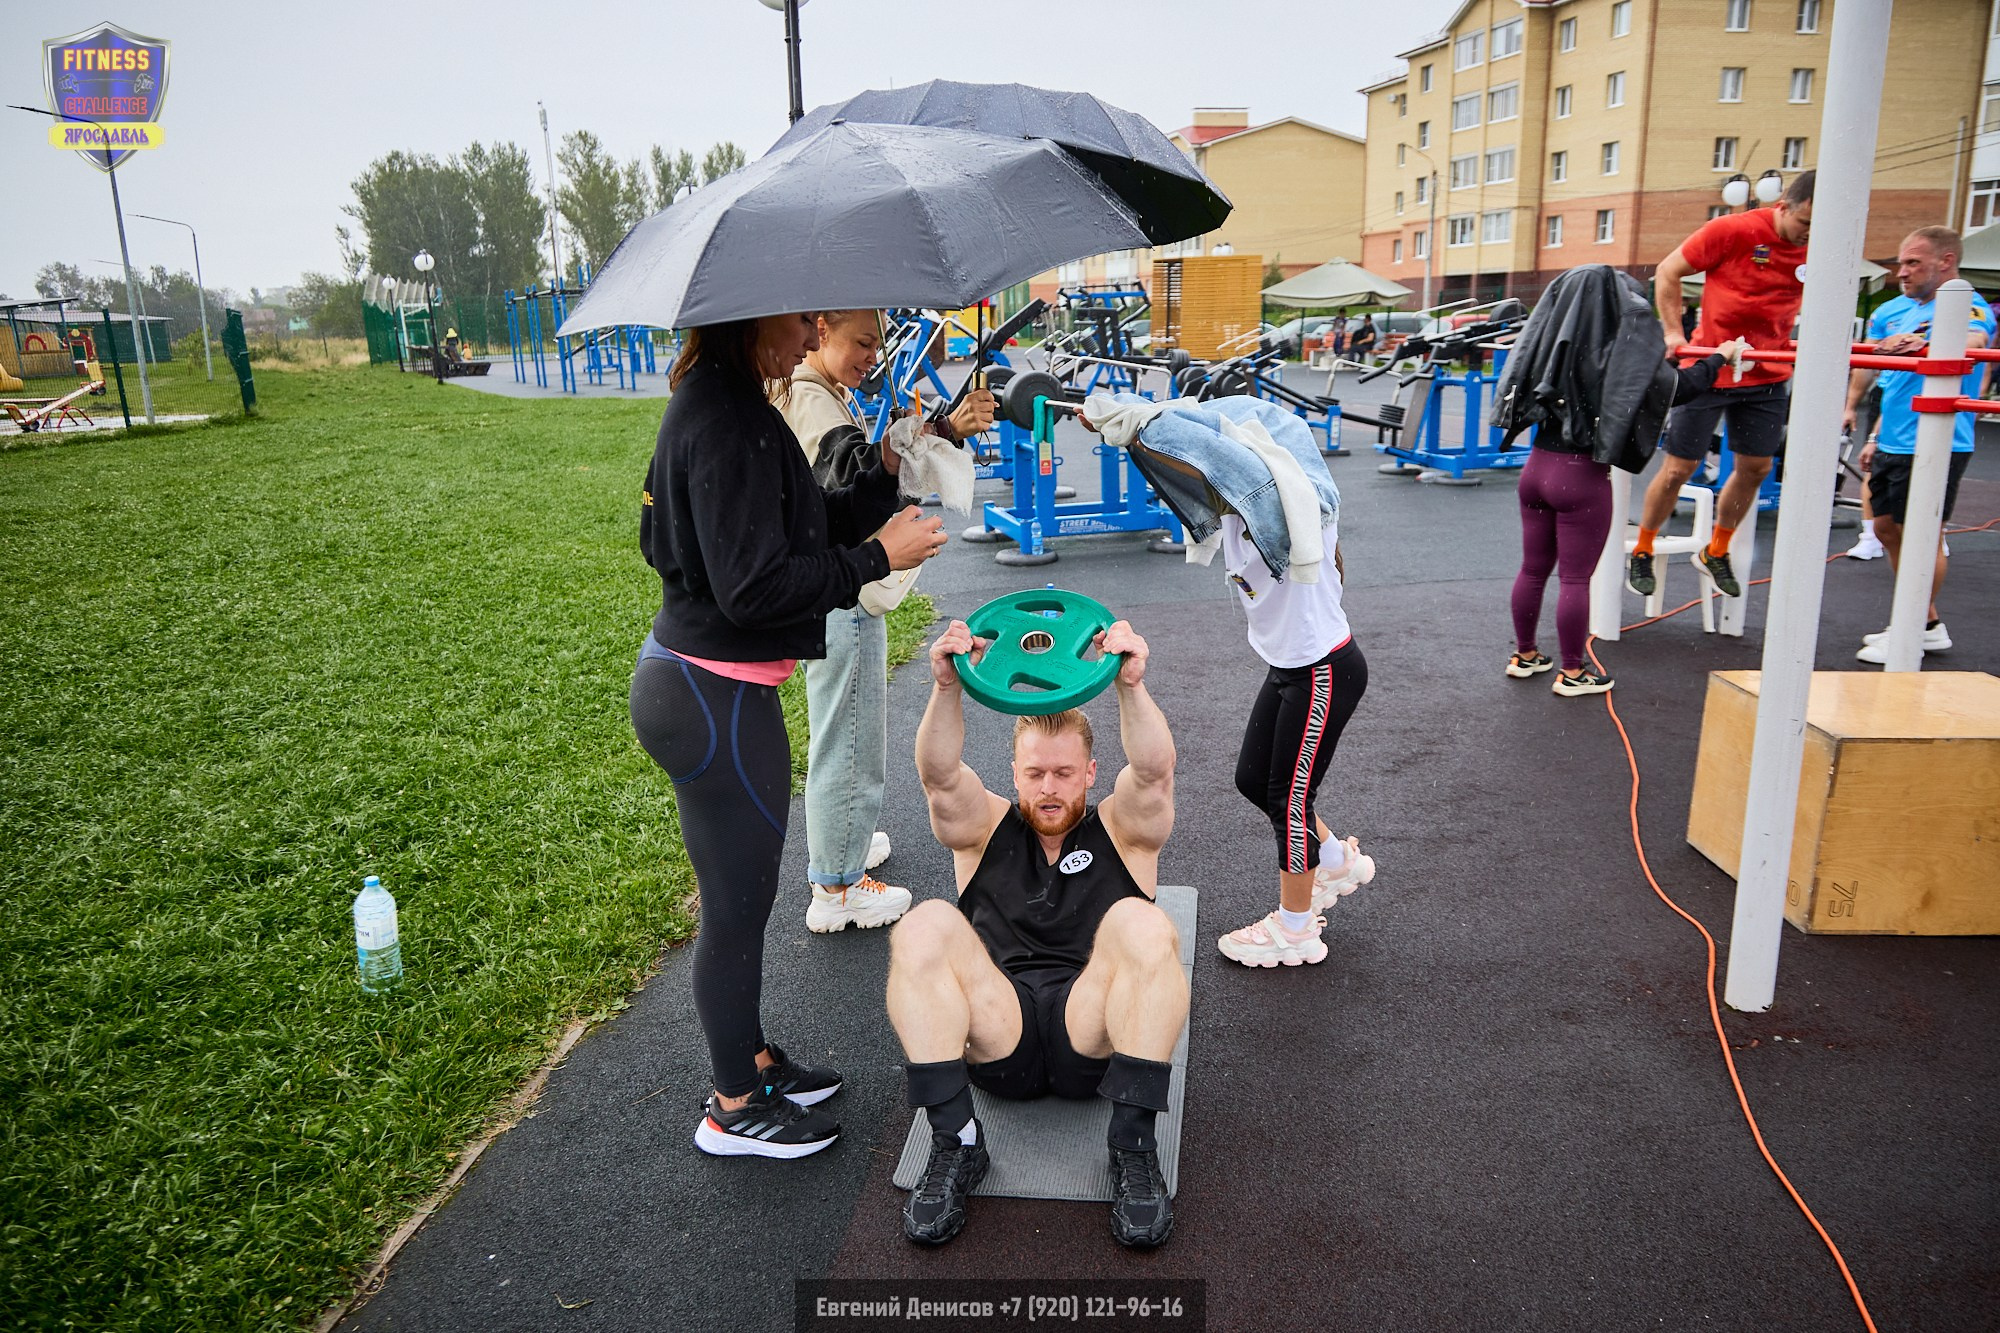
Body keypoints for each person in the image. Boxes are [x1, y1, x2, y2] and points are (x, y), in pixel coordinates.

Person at [629, 312, 948, 1160]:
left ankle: (751, 1060)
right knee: (735, 911)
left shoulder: (728, 401)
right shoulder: (724, 417)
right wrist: (876, 556)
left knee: (745, 902)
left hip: (703, 686)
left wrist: (879, 471)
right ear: (748, 314)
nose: (809, 330)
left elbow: (793, 527)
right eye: (801, 317)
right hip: (711, 697)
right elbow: (755, 589)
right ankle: (734, 1104)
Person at [890, 620, 1184, 1249]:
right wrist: (946, 687)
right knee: (923, 925)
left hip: (1094, 1031)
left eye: (1063, 773)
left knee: (1145, 924)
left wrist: (1131, 684)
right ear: (1015, 773)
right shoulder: (984, 828)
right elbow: (940, 778)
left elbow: (1155, 772)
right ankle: (957, 1144)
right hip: (1002, 1035)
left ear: (1089, 772)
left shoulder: (1124, 830)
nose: (1048, 788)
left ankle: (1132, 1145)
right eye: (1034, 774)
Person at [780, 311, 995, 934]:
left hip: (838, 584)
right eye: (861, 343)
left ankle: (839, 843)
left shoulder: (825, 392)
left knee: (845, 725)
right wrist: (936, 432)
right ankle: (839, 884)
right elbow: (856, 480)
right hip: (841, 588)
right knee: (849, 732)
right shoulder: (814, 401)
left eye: (876, 344)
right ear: (821, 330)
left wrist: (934, 430)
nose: (871, 356)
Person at [1629, 171, 1815, 602]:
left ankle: (1717, 550)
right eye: (1804, 223)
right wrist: (1674, 333)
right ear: (1783, 206)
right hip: (1712, 363)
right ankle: (1643, 548)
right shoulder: (1733, 230)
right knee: (1679, 467)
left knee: (1756, 468)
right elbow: (1668, 271)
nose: (1808, 235)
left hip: (1768, 369)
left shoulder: (1819, 247)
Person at [1841, 226, 1994, 664]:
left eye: (1913, 263)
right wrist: (1860, 419)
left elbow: (1976, 341)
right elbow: (1883, 375)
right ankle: (1926, 622)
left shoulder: (1967, 305)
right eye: (1901, 262)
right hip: (1892, 435)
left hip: (1937, 440)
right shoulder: (1891, 311)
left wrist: (1926, 341)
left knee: (1923, 535)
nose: (1902, 272)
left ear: (1945, 261)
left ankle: (1912, 625)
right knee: (1886, 528)